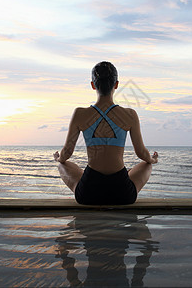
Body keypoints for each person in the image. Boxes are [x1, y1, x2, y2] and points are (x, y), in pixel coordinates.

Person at [53, 61, 158, 205]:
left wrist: (58, 158)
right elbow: (141, 153)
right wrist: (152, 159)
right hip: (122, 193)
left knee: (62, 165)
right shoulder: (130, 115)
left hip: (88, 193)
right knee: (147, 165)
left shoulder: (80, 114)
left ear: (93, 85)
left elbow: (67, 153)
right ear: (116, 84)